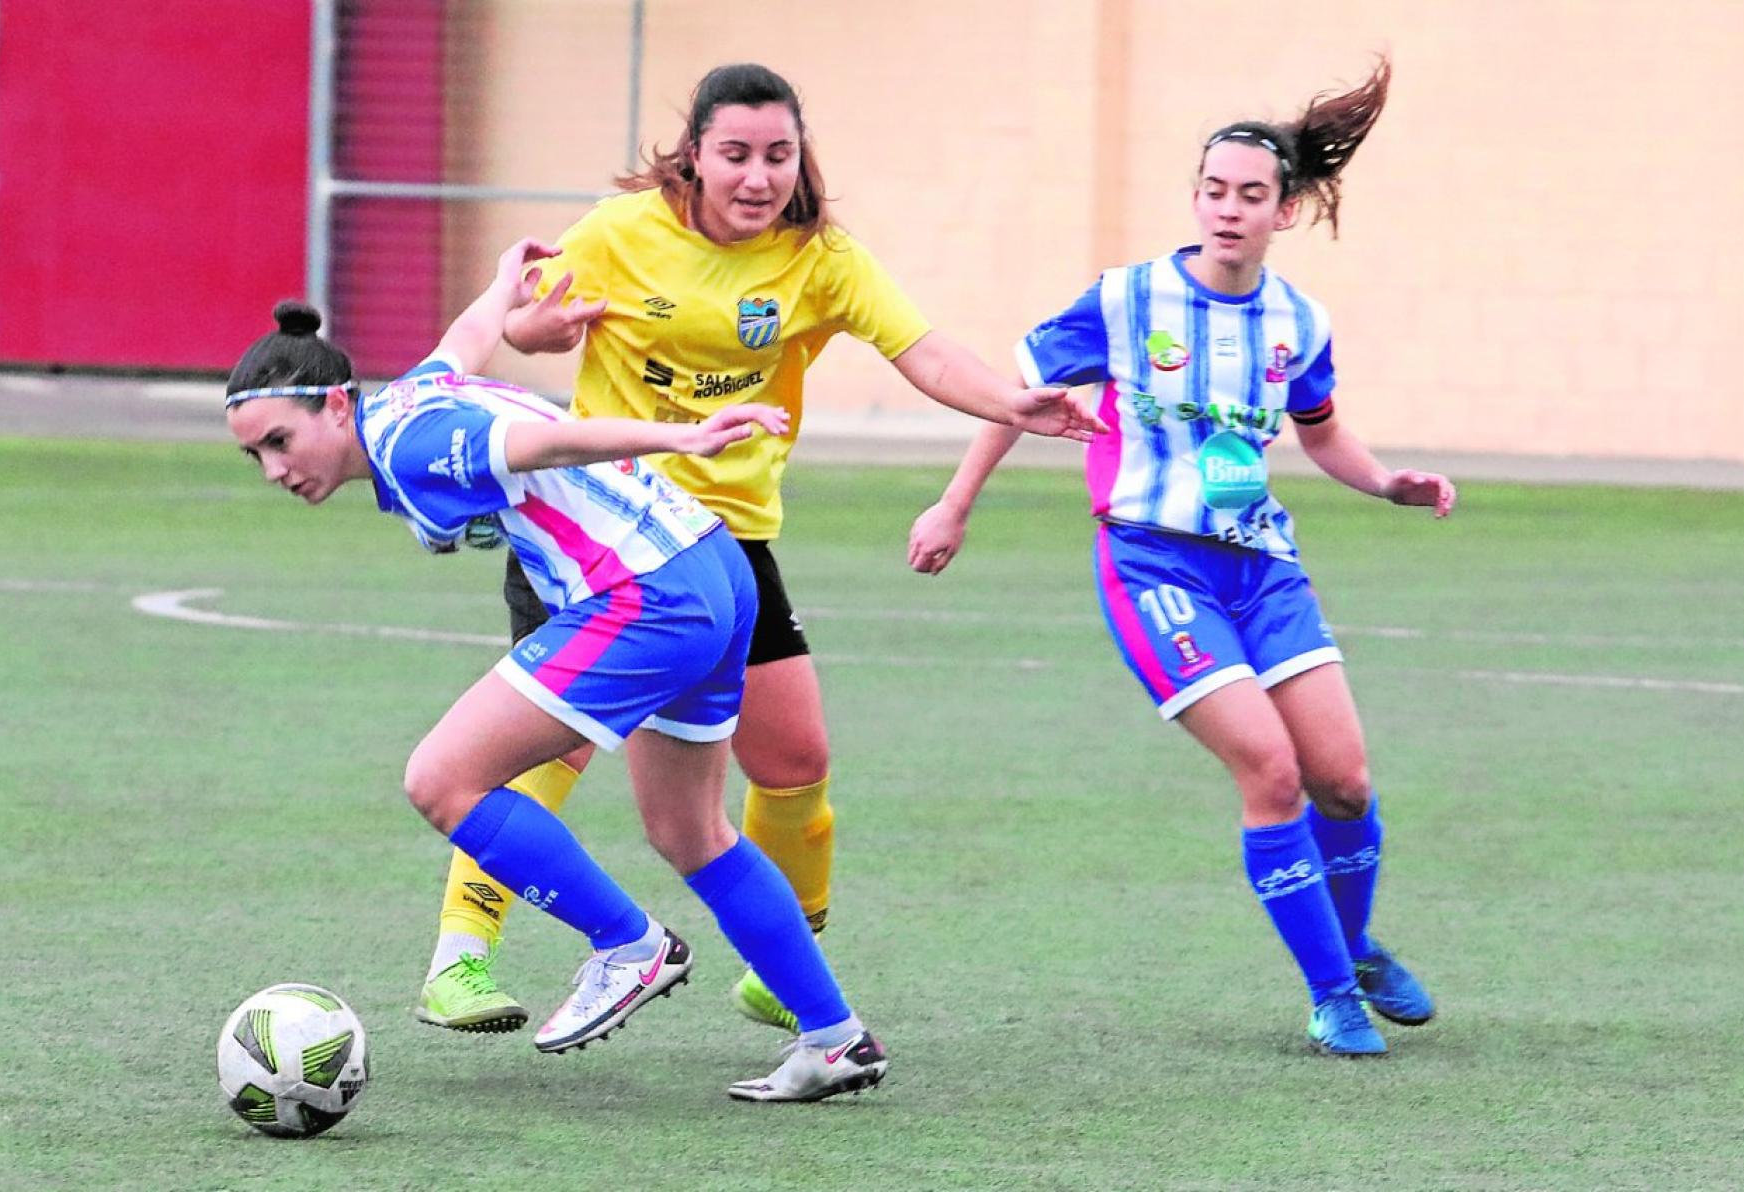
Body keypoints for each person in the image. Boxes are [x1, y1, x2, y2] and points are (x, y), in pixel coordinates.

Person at [416, 61, 1106, 1035]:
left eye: (778, 155)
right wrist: (540, 326)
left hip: (725, 550)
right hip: (599, 538)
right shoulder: (620, 232)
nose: (757, 176)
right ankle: (460, 962)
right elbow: (522, 326)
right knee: (546, 748)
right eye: (735, 154)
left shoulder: (819, 259)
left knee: (794, 756)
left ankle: (786, 961)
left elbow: (925, 349)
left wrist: (1011, 402)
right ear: (692, 154)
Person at [222, 237, 888, 1102]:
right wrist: (500, 288)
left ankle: (628, 946)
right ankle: (836, 1039)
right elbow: (463, 343)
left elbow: (545, 441)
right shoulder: (408, 399)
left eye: (280, 440)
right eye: (255, 455)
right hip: (712, 565)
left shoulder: (418, 442)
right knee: (692, 833)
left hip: (649, 594)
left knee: (440, 779)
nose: (275, 469)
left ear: (337, 408)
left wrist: (684, 433)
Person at [906, 58, 1452, 1056]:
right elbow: (1016, 397)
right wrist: (954, 503)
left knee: (1347, 783)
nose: (1228, 210)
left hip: (1264, 567)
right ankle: (1332, 992)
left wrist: (1385, 483)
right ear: (1194, 197)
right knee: (1272, 772)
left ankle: (1356, 942)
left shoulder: (1298, 321)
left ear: (1286, 210)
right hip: (1154, 567)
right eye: (1213, 191)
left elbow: (1322, 432)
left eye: (1251, 194)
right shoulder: (1125, 300)